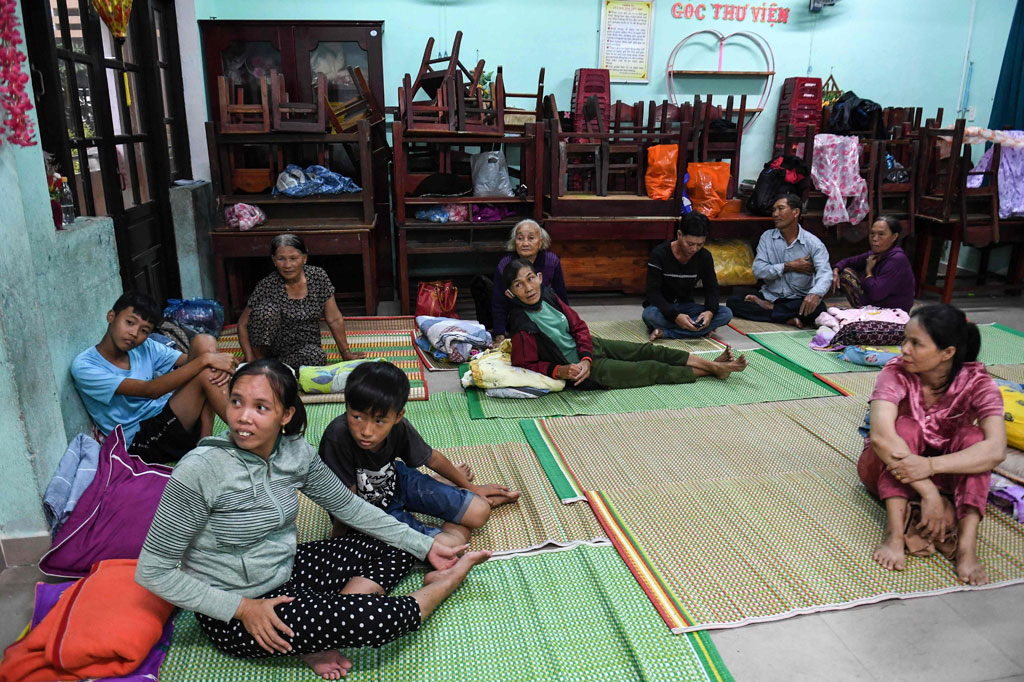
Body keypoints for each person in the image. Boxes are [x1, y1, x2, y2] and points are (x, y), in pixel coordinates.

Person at [136, 359, 488, 681]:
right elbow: (153, 571)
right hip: (235, 610)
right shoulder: (199, 470)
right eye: (236, 402)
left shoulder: (295, 453)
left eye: (261, 407)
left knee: (395, 541)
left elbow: (350, 507)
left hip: (287, 571)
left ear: (286, 414)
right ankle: (443, 583)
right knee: (375, 620)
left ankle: (317, 628)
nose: (243, 417)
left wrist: (426, 544)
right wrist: (242, 608)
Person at [857, 304, 1006, 586]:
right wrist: (930, 494)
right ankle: (894, 534)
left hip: (935, 470)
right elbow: (881, 437)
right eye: (904, 340)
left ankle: (966, 548)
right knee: (905, 427)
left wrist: (930, 466)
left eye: (915, 343)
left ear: (947, 353)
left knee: (974, 439)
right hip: (883, 468)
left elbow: (996, 449)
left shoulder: (977, 382)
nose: (904, 349)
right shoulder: (895, 372)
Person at [319, 362, 520, 548]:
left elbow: (432, 457)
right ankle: (444, 496)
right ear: (346, 407)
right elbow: (346, 503)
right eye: (357, 417)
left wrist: (472, 488)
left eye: (379, 421)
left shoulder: (399, 427)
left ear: (398, 416)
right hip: (370, 513)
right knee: (450, 546)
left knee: (480, 511)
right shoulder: (337, 438)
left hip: (396, 481)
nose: (366, 431)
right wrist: (338, 543)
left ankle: (445, 486)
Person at [503, 258, 747, 389]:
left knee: (648, 350)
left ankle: (714, 367)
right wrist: (561, 371)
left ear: (540, 278)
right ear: (510, 294)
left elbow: (578, 327)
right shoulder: (521, 323)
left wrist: (587, 355)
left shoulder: (548, 295)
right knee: (649, 369)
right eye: (518, 285)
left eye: (530, 278)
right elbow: (525, 363)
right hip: (581, 371)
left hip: (590, 350)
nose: (528, 288)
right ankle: (715, 370)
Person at [71, 292, 239, 464]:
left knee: (204, 342)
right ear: (111, 316)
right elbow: (149, 390)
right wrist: (206, 360)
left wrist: (210, 358)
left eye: (144, 331)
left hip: (169, 419)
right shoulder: (85, 366)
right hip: (142, 440)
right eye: (129, 323)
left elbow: (194, 359)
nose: (134, 334)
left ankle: (204, 445)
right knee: (205, 369)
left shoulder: (144, 346)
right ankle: (244, 429)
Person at [238, 234, 365, 369]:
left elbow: (334, 318)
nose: (287, 265)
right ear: (274, 260)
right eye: (281, 259)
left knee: (317, 357)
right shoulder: (267, 285)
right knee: (266, 311)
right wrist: (251, 360)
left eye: (293, 258)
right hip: (272, 347)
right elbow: (242, 324)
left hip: (304, 347)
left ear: (304, 258)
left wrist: (346, 353)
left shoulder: (318, 277)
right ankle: (261, 363)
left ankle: (274, 368)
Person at [726, 194, 831, 328]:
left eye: (780, 209)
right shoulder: (767, 237)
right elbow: (758, 270)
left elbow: (825, 273)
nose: (775, 214)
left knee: (818, 307)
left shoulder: (813, 243)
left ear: (796, 212)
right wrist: (788, 266)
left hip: (797, 299)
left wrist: (815, 293)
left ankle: (771, 310)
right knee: (733, 301)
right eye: (774, 210)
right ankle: (784, 317)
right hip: (770, 295)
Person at [643, 211, 733, 341]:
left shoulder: (704, 256)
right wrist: (675, 316)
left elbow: (712, 289)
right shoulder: (660, 254)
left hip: (687, 307)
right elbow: (653, 293)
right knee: (649, 315)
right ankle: (698, 330)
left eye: (700, 244)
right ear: (679, 235)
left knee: (726, 314)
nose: (694, 249)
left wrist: (710, 312)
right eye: (690, 244)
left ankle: (668, 333)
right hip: (662, 308)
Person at [478, 219, 569, 341]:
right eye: (520, 238)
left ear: (540, 242)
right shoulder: (505, 264)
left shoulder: (551, 261)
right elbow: (499, 301)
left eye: (531, 238)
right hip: (516, 315)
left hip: (545, 315)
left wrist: (567, 325)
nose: (525, 243)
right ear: (515, 242)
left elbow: (561, 297)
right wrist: (499, 332)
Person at [831, 215, 916, 312]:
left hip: (893, 311)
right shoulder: (876, 253)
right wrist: (836, 269)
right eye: (872, 233)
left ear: (894, 237)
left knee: (847, 276)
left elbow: (876, 294)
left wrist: (869, 272)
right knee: (844, 270)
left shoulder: (896, 260)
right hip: (878, 302)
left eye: (881, 234)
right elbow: (849, 261)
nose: (874, 238)